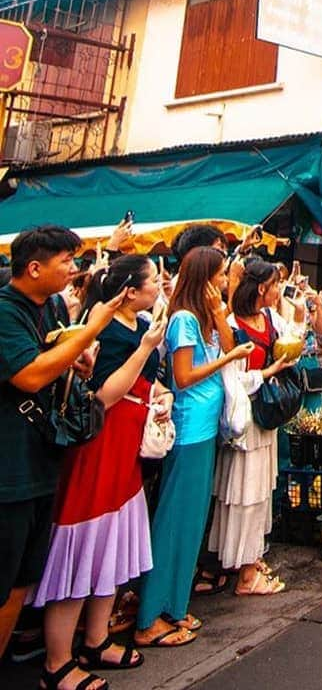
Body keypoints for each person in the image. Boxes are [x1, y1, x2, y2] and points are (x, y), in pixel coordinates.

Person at [34, 257, 171, 689]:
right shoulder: (106, 330)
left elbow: (149, 381)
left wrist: (159, 394)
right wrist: (147, 348)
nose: (160, 285)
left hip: (127, 449)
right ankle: (57, 662)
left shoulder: (140, 323)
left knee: (113, 547)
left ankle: (96, 639)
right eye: (154, 279)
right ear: (129, 291)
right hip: (99, 446)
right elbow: (103, 397)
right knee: (83, 547)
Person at [0, 226, 126, 665]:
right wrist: (91, 331)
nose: (74, 270)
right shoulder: (5, 312)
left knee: (22, 580)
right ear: (34, 268)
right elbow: (30, 375)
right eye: (65, 263)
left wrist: (79, 356)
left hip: (44, 459)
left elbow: (59, 357)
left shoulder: (52, 306)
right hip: (10, 469)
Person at [135, 248, 254, 649]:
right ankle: (151, 615)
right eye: (220, 275)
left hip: (204, 430)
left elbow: (225, 340)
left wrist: (220, 312)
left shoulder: (202, 317)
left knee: (190, 523)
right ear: (203, 277)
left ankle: (173, 605)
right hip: (187, 431)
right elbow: (183, 377)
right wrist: (228, 360)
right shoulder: (184, 320)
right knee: (173, 523)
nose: (224, 281)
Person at [210, 260, 297, 597]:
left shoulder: (271, 319)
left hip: (267, 419)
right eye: (276, 284)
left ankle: (251, 558)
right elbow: (231, 380)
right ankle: (245, 572)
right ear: (262, 288)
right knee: (245, 494)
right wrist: (268, 371)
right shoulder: (233, 326)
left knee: (261, 493)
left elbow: (293, 336)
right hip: (246, 421)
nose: (280, 290)